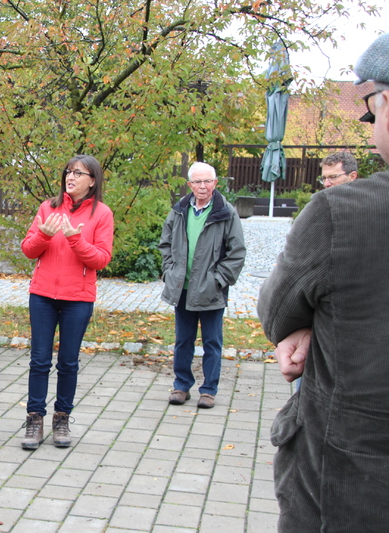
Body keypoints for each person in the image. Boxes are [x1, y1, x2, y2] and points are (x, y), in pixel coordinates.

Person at [258, 33, 389, 532]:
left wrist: (309, 320)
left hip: (353, 487)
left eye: (371, 110)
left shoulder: (344, 215)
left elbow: (277, 310)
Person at [19, 155, 114, 450]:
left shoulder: (102, 214)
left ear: (92, 180)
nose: (70, 177)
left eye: (78, 173)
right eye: (68, 172)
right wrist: (45, 235)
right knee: (39, 360)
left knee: (68, 362)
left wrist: (75, 240)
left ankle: (62, 418)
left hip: (78, 299)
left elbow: (101, 259)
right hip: (43, 295)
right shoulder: (48, 207)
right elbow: (28, 249)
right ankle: (34, 418)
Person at [159, 162, 246, 409]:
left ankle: (208, 390)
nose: (202, 186)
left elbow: (237, 252)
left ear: (215, 183)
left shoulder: (226, 212)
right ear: (190, 185)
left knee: (212, 343)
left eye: (207, 181)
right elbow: (165, 243)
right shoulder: (179, 211)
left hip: (211, 291)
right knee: (183, 341)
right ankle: (181, 385)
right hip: (183, 289)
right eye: (197, 182)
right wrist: (170, 271)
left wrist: (218, 280)